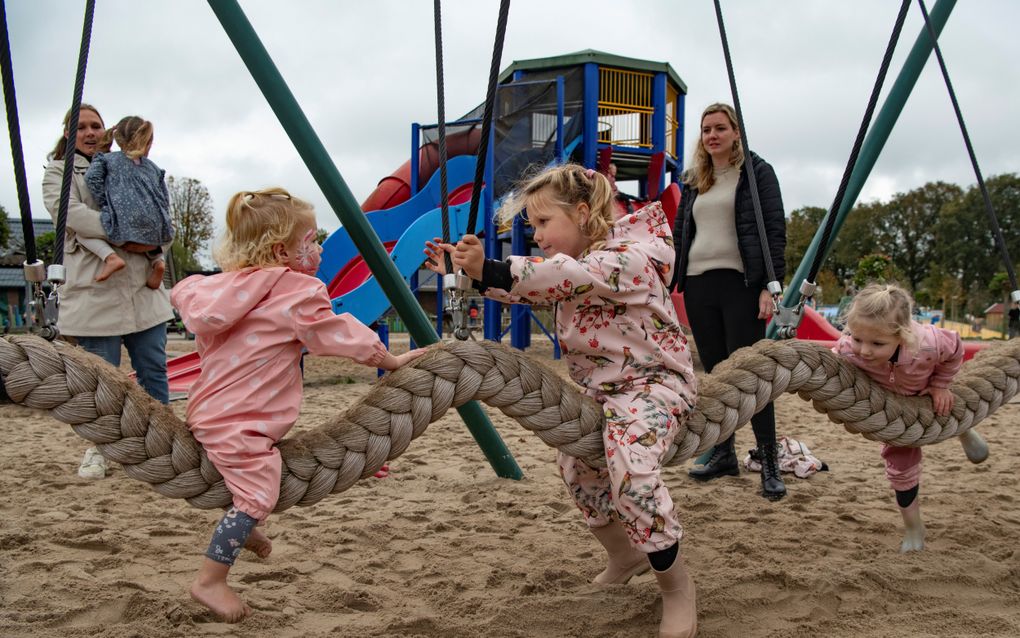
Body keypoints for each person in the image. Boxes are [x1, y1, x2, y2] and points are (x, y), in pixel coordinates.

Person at [425, 164, 698, 638]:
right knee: (575, 465)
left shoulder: (628, 258)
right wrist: (464, 277)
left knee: (632, 471)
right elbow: (538, 288)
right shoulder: (572, 270)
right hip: (601, 391)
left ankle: (676, 589)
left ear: (583, 212)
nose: (536, 235)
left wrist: (488, 267)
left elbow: (569, 275)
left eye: (543, 222)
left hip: (653, 385)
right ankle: (625, 554)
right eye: (532, 225)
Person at [172, 187, 425, 623]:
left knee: (254, 483)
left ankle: (248, 527)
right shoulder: (295, 289)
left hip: (209, 410)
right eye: (310, 240)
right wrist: (390, 359)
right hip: (240, 421)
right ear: (281, 251)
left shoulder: (223, 289)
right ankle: (210, 580)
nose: (320, 248)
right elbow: (335, 333)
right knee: (256, 494)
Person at [42, 104, 173, 480]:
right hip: (94, 291)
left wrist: (152, 243)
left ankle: (162, 442)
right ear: (68, 134)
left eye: (96, 125)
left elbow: (162, 218)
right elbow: (70, 214)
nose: (90, 132)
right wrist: (127, 227)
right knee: (103, 381)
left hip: (141, 287)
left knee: (154, 372)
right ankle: (100, 448)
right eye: (80, 127)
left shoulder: (130, 166)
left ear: (107, 130)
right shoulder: (60, 172)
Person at [669, 102, 788, 500]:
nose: (712, 135)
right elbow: (681, 231)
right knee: (718, 375)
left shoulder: (756, 173)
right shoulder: (694, 179)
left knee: (751, 375)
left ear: (736, 132)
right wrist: (672, 278)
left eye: (720, 128)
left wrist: (769, 286)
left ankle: (769, 462)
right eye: (706, 130)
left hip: (741, 282)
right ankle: (723, 453)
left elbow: (774, 228)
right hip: (700, 285)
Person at [833, 282, 988, 552]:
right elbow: (833, 367)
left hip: (925, 391)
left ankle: (963, 429)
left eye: (877, 343)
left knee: (948, 405)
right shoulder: (848, 349)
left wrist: (941, 384)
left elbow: (955, 350)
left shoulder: (928, 344)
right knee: (900, 468)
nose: (864, 351)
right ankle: (914, 527)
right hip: (896, 410)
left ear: (902, 336)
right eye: (857, 338)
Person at [83, 115, 174, 289]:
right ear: (148, 141)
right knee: (154, 230)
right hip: (156, 236)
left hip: (125, 234)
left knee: (80, 232)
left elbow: (91, 178)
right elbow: (163, 198)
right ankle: (158, 262)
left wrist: (107, 203)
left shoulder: (106, 159)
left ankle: (111, 257)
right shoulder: (154, 168)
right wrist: (162, 218)